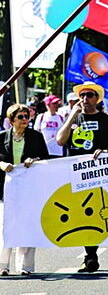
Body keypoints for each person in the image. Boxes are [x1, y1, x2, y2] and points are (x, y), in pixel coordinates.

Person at [55, 82, 108, 273]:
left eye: (89, 95)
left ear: (96, 99)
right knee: (80, 213)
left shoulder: (107, 121)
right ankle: (90, 254)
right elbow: (60, 140)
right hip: (75, 172)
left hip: (97, 173)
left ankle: (91, 254)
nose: (84, 99)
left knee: (93, 211)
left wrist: (105, 151)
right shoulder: (74, 118)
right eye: (82, 95)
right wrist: (72, 116)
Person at [0, 103, 49, 275]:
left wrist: (34, 159)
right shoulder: (2, 137)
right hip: (6, 190)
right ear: (11, 120)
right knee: (6, 226)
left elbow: (45, 158)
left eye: (27, 117)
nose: (25, 120)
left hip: (29, 188)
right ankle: (2, 266)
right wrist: (2, 164)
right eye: (20, 117)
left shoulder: (36, 136)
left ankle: (25, 267)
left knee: (28, 225)